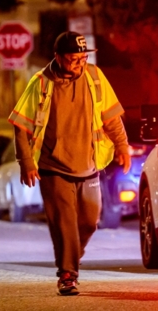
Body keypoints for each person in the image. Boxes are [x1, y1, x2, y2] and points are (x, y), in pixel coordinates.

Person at [8, 31, 130, 296]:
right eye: (74, 59)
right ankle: (67, 275)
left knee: (89, 221)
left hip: (89, 164)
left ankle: (71, 258)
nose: (79, 64)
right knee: (65, 223)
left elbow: (111, 118)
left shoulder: (95, 78)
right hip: (53, 167)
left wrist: (122, 146)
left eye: (83, 58)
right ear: (58, 58)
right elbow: (20, 126)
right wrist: (26, 161)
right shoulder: (41, 83)